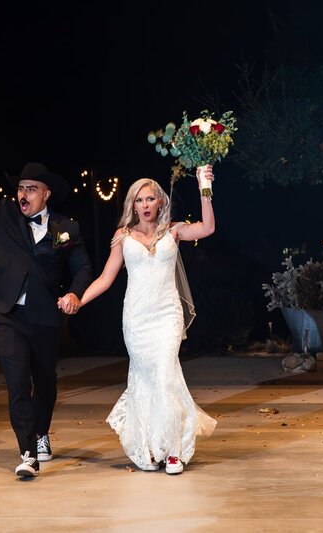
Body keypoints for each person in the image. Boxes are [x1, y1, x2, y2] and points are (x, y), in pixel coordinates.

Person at [0, 131, 93, 477]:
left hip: (45, 316)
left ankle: (42, 432)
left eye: (31, 189)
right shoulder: (4, 216)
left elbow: (84, 267)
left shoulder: (67, 228)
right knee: (17, 383)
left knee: (45, 382)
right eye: (20, 188)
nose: (23, 194)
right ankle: (27, 451)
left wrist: (75, 293)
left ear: (46, 194)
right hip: (7, 314)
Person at [78, 167, 218, 474]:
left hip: (167, 314)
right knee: (146, 382)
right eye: (139, 199)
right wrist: (79, 300)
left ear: (160, 202)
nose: (144, 204)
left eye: (150, 198)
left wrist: (204, 185)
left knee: (166, 376)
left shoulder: (174, 231)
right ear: (133, 205)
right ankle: (150, 448)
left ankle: (173, 452)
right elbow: (105, 278)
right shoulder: (123, 237)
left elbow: (207, 228)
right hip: (137, 320)